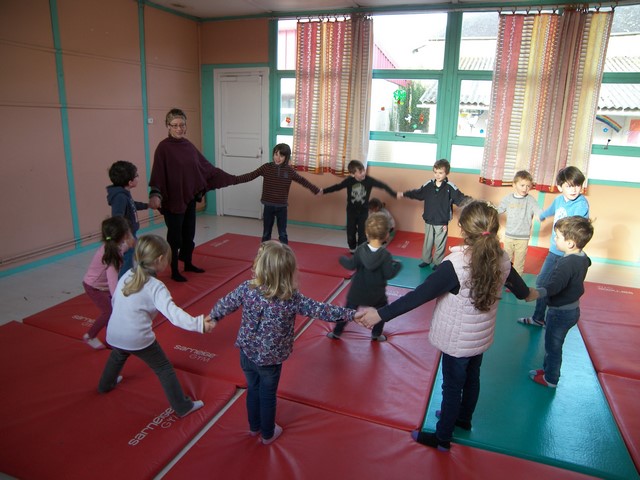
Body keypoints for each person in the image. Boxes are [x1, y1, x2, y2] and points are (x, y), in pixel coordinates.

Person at [355, 201, 536, 451]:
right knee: (471, 379)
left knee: (452, 387)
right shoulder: (503, 259)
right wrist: (539, 292)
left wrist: (380, 315)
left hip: (457, 340)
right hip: (479, 337)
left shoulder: (456, 265)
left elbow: (419, 296)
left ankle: (442, 438)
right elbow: (523, 292)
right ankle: (463, 419)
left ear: (463, 229)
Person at [209, 241, 355, 445]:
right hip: (270, 360)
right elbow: (322, 310)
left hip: (246, 353)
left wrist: (213, 317)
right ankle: (267, 434)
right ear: (289, 273)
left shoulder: (248, 288)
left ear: (260, 267)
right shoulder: (291, 299)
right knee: (267, 395)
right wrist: (352, 315)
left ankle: (254, 427)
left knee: (253, 389)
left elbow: (226, 303)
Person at [97, 234, 215, 417]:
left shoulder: (127, 275)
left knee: (118, 354)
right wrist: (199, 324)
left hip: (113, 333)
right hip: (136, 338)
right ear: (160, 260)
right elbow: (174, 315)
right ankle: (183, 407)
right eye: (167, 258)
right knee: (163, 367)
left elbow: (115, 302)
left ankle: (105, 385)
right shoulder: (155, 286)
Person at [149, 108, 239, 282]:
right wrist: (155, 193)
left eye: (182, 125)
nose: (179, 128)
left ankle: (188, 263)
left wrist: (231, 178)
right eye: (175, 125)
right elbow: (158, 173)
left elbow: (204, 167)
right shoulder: (163, 148)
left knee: (189, 234)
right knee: (175, 238)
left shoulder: (188, 145)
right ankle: (174, 270)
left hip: (188, 198)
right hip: (173, 201)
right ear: (168, 126)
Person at [518, 166, 589, 327]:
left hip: (569, 253)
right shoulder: (559, 200)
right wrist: (542, 216)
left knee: (561, 286)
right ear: (560, 187)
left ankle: (556, 316)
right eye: (569, 186)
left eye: (577, 185)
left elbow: (577, 227)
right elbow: (551, 210)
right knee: (542, 281)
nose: (574, 190)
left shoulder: (581, 204)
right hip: (554, 250)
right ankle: (538, 317)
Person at [527, 216, 593, 388]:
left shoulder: (567, 263)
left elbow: (554, 286)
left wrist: (537, 293)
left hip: (560, 313)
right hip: (572, 310)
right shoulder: (582, 257)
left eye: (557, 236)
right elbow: (588, 263)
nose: (554, 239)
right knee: (553, 344)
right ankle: (547, 369)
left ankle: (551, 378)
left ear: (570, 243)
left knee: (553, 346)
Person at [327, 212, 402, 342]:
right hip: (376, 295)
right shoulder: (386, 255)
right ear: (386, 235)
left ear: (366, 233)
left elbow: (351, 265)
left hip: (357, 292)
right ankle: (376, 334)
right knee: (381, 312)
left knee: (347, 311)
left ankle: (337, 332)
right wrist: (398, 266)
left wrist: (342, 259)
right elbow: (389, 274)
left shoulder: (360, 250)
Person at [234, 143, 320, 244]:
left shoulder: (289, 171)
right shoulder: (266, 167)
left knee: (282, 233)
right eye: (276, 154)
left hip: (282, 207)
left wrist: (316, 190)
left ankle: (284, 251)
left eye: (281, 156)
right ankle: (265, 250)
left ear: (286, 157)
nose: (278, 158)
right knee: (266, 233)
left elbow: (302, 180)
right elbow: (251, 175)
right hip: (268, 206)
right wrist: (235, 179)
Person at [399, 159, 471, 269]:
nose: (437, 175)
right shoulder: (429, 184)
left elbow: (461, 199)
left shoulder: (450, 187)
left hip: (442, 221)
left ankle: (438, 262)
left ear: (447, 173)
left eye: (440, 173)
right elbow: (418, 193)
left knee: (440, 243)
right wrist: (405, 194)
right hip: (429, 219)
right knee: (427, 242)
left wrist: (474, 202)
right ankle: (426, 260)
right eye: (435, 172)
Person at [320, 160, 397, 253]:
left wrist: (394, 193)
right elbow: (337, 187)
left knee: (362, 232)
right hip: (351, 211)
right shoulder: (349, 181)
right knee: (351, 231)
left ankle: (361, 249)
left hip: (363, 212)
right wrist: (323, 191)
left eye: (363, 170)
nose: (363, 173)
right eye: (360, 172)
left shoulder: (369, 180)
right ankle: (352, 248)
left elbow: (383, 185)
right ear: (353, 174)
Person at [82, 216, 133, 350]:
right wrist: (119, 299)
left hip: (101, 286)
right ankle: (90, 336)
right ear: (124, 235)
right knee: (109, 311)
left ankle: (112, 338)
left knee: (112, 312)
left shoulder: (114, 246)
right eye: (128, 231)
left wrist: (130, 243)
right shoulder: (112, 256)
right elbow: (112, 282)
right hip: (94, 287)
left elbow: (124, 247)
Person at [106, 160, 150, 277]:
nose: (138, 177)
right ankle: (124, 281)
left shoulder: (124, 192)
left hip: (130, 233)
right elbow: (117, 218)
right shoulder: (120, 196)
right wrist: (127, 236)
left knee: (132, 256)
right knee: (127, 260)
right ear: (130, 182)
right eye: (136, 175)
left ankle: (128, 277)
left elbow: (132, 205)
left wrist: (147, 205)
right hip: (126, 235)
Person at [496, 170, 543, 275]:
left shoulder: (530, 200)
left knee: (519, 262)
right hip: (509, 236)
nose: (525, 188)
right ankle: (504, 278)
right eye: (522, 185)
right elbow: (499, 209)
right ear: (514, 184)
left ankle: (517, 281)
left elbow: (537, 209)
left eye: (528, 186)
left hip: (523, 237)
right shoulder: (508, 198)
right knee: (506, 260)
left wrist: (541, 215)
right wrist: (490, 210)